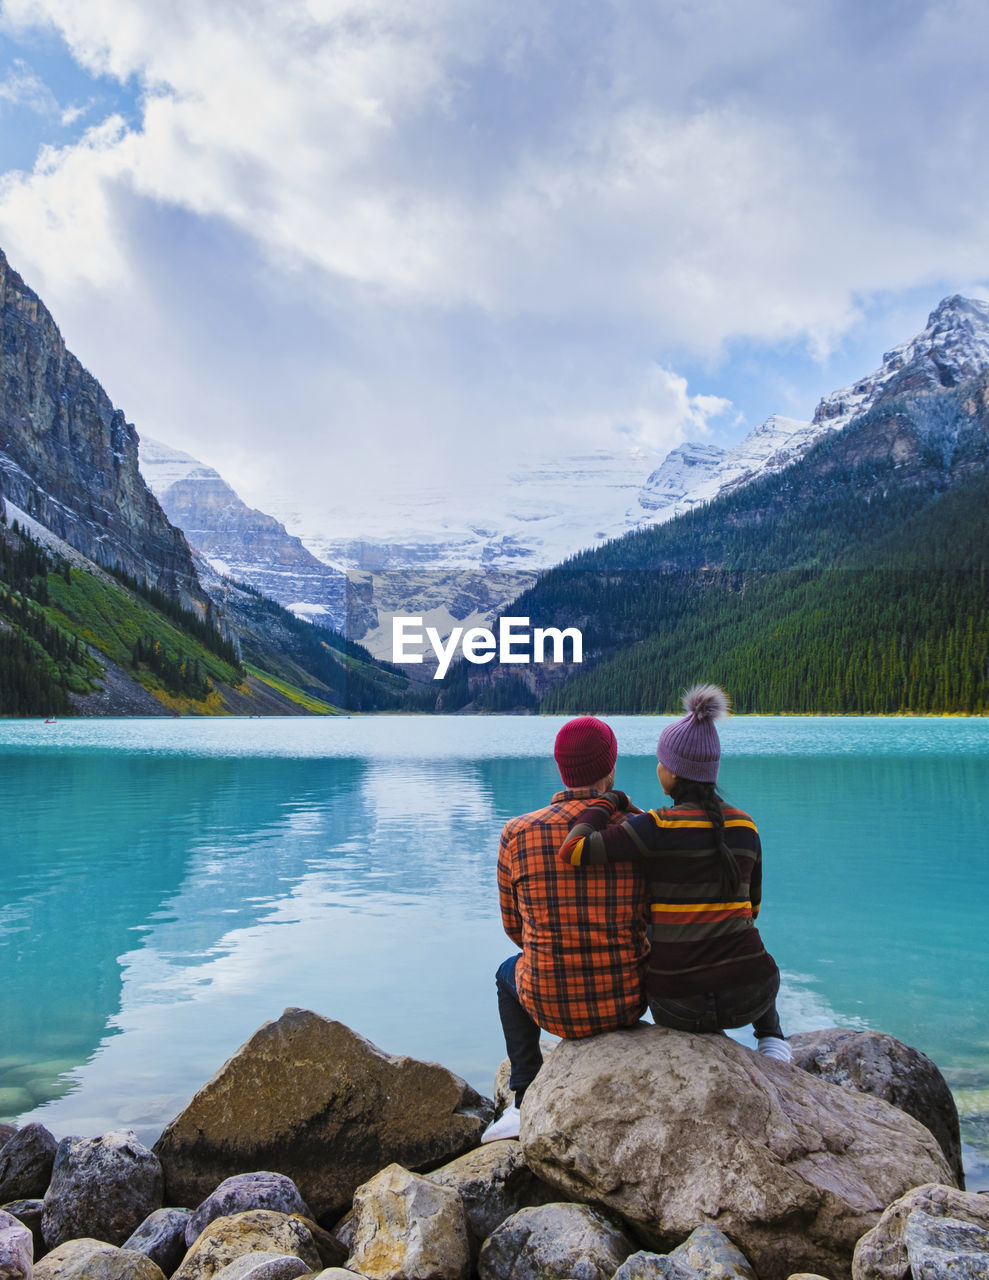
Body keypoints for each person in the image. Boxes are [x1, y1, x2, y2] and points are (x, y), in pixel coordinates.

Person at [558, 685, 792, 1062]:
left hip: (679, 1008)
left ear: (671, 773)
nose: (658, 768)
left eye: (661, 761)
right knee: (741, 926)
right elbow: (754, 908)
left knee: (652, 923)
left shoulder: (656, 826)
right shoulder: (746, 826)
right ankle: (773, 1039)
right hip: (753, 996)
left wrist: (609, 800)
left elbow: (575, 850)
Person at [482, 715, 650, 1142]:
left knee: (507, 973)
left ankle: (523, 1101)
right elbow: (655, 917)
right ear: (611, 766)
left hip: (550, 1005)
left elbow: (514, 929)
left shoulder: (517, 833)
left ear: (560, 767)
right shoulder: (641, 828)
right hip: (628, 1001)